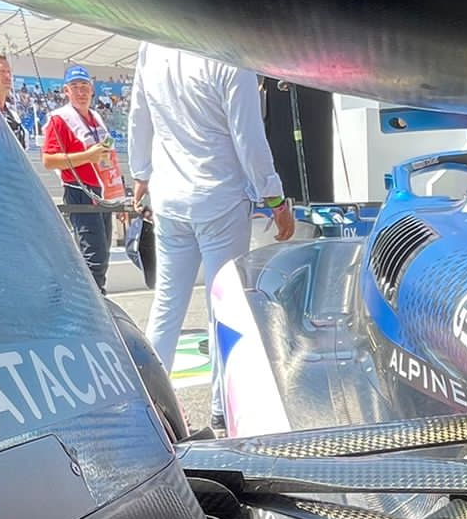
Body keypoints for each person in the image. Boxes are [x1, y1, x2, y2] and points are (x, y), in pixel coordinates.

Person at [130, 42, 296, 433]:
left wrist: (140, 172)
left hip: (170, 197)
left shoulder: (151, 47)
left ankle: (147, 404)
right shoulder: (230, 57)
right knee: (222, 307)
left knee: (166, 307)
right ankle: (222, 409)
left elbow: (139, 114)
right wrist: (274, 197)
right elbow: (249, 139)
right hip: (220, 198)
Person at [40, 64, 119, 289]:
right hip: (80, 190)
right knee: (94, 257)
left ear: (92, 90)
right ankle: (94, 302)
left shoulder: (96, 117)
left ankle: (96, 299)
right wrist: (87, 156)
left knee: (102, 254)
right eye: (75, 87)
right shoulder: (59, 118)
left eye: (84, 86)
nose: (81, 92)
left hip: (102, 191)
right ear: (66, 91)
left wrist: (118, 193)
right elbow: (48, 160)